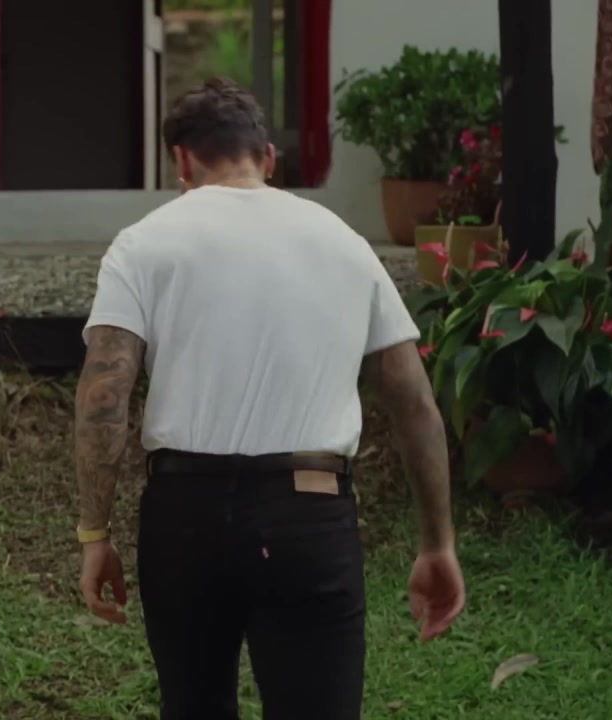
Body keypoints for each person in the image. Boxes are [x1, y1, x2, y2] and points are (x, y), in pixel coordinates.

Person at [73, 77, 464, 720]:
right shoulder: (344, 243)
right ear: (269, 159)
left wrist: (96, 533)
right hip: (309, 513)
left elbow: (104, 395)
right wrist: (437, 542)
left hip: (184, 516)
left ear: (181, 161)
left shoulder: (143, 244)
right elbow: (414, 404)